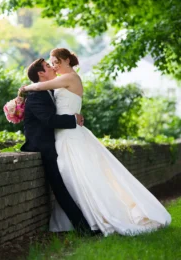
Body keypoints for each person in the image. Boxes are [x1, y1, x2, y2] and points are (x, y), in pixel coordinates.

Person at [19, 48, 171, 236]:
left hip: (70, 136)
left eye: (56, 62)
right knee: (73, 179)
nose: (54, 66)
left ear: (66, 61)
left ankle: (99, 216)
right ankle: (83, 220)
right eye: (51, 64)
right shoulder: (57, 83)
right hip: (63, 136)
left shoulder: (70, 78)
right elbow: (45, 98)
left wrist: (24, 90)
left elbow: (39, 87)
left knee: (82, 177)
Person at [20, 58, 92, 234]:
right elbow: (49, 120)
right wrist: (73, 119)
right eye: (47, 66)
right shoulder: (36, 96)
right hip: (43, 146)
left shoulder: (48, 91)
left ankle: (85, 225)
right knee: (60, 188)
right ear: (41, 74)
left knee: (67, 185)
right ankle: (84, 229)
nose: (52, 67)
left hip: (55, 143)